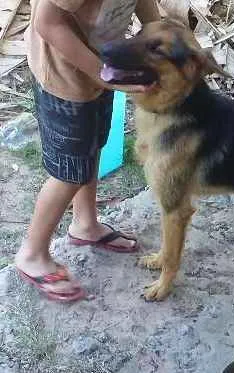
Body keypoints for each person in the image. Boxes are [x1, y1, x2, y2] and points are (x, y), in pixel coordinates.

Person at [14, 0, 161, 301]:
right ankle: (32, 254)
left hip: (98, 67)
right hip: (64, 75)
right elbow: (48, 22)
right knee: (69, 172)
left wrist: (158, 36)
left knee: (94, 145)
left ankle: (85, 224)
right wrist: (100, 72)